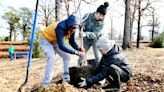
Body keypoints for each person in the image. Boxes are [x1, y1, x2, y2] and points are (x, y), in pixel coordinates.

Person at [39, 14, 85, 87]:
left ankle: (66, 78)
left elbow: (71, 42)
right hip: (46, 40)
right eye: (73, 28)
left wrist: (79, 48)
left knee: (67, 56)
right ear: (69, 25)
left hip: (55, 41)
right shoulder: (60, 27)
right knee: (52, 59)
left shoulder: (73, 28)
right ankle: (45, 85)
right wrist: (77, 53)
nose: (74, 30)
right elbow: (62, 46)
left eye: (75, 28)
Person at [78, 2, 109, 67]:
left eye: (102, 16)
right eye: (99, 14)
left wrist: (86, 34)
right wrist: (80, 27)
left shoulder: (101, 23)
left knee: (98, 57)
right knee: (81, 55)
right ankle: (79, 69)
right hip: (86, 40)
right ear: (96, 12)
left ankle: (98, 72)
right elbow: (80, 25)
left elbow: (96, 34)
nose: (100, 17)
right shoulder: (87, 16)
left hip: (96, 40)